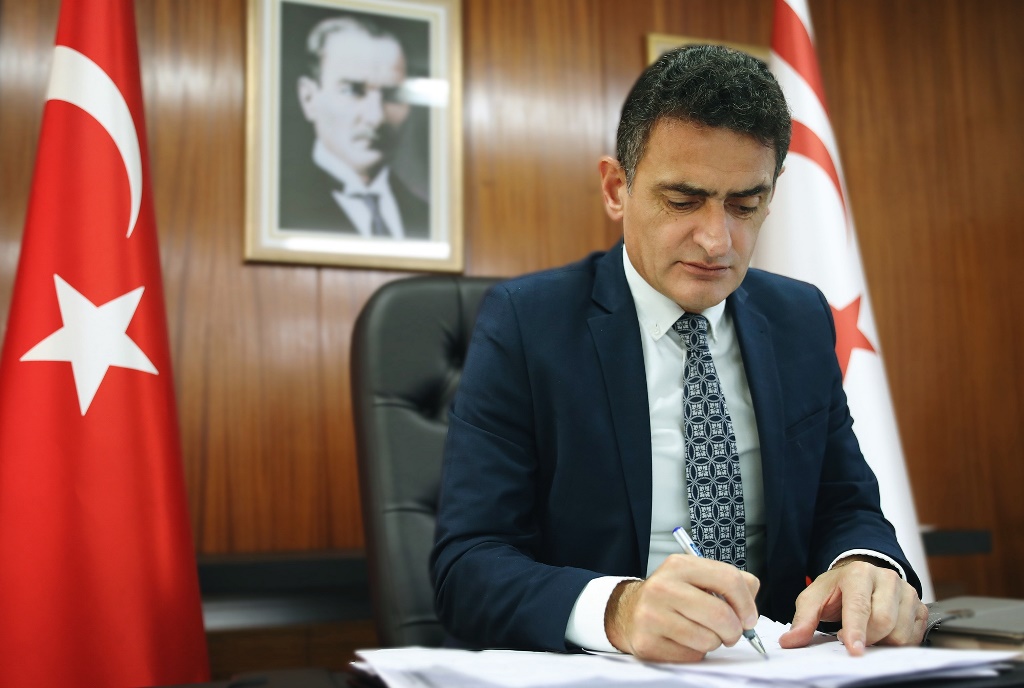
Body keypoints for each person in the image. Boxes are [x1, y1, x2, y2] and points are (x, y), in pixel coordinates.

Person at [431, 45, 928, 662]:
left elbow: (845, 504)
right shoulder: (527, 325)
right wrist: (617, 609)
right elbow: (467, 565)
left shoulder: (798, 320)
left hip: (770, 666)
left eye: (745, 205)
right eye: (683, 201)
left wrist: (864, 564)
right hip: (602, 670)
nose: (717, 240)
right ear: (617, 188)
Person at [280, 15, 429, 239]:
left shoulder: (428, 218)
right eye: (352, 90)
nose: (376, 117)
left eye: (392, 95)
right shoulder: (277, 208)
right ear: (309, 98)